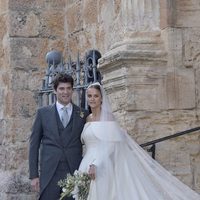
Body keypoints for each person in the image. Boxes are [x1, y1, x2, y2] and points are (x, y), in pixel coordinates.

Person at [77, 82, 200, 200]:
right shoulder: (88, 118)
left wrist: (96, 164)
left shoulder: (108, 118)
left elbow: (112, 145)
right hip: (86, 164)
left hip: (102, 165)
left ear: (101, 99)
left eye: (96, 96)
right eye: (89, 96)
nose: (92, 99)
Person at [29, 73, 89, 200]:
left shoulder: (83, 114)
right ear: (55, 90)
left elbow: (90, 142)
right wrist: (34, 175)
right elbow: (34, 145)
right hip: (50, 172)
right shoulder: (43, 113)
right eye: (61, 88)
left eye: (68, 88)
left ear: (72, 90)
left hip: (75, 171)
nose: (65, 92)